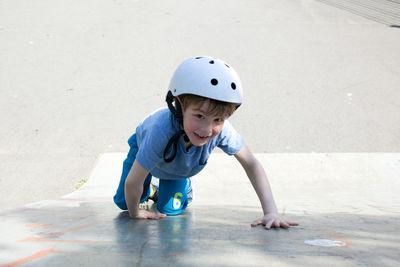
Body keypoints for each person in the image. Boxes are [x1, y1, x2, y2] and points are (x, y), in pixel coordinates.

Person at [113, 56, 298, 230]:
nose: (207, 129)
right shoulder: (159, 131)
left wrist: (271, 212)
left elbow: (251, 163)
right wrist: (136, 213)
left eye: (218, 119)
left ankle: (181, 185)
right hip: (144, 150)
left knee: (170, 210)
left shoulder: (222, 130)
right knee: (125, 203)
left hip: (177, 169)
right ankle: (151, 188)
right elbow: (133, 181)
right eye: (199, 116)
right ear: (179, 105)